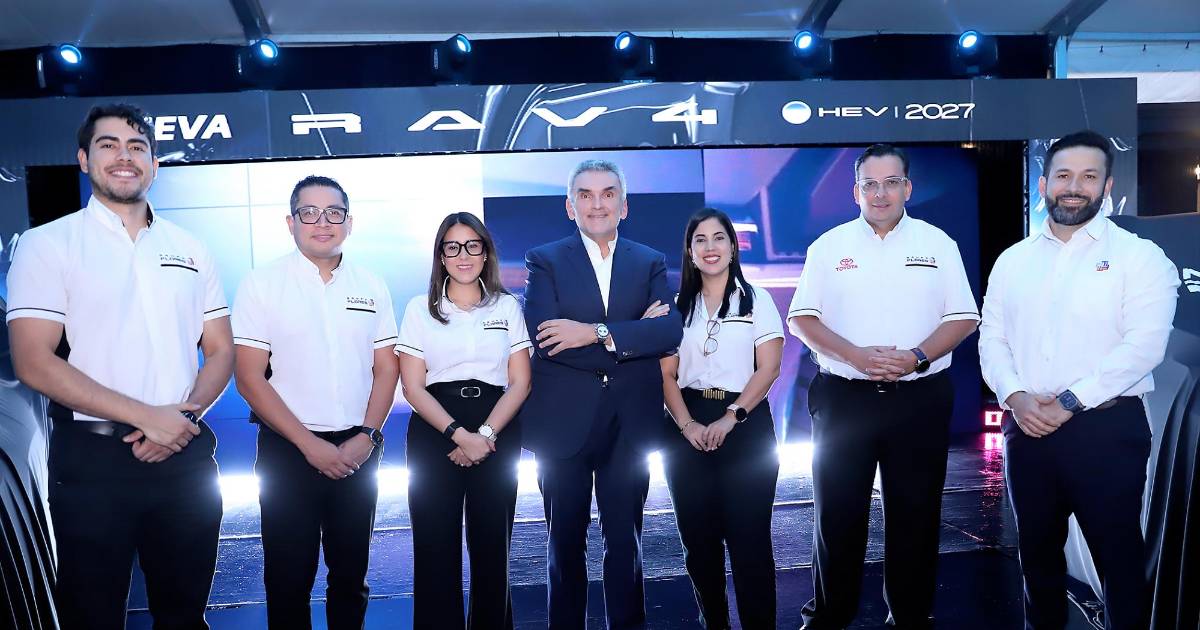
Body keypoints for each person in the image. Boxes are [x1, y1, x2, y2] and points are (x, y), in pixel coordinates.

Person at [7, 103, 233, 629]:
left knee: (184, 616)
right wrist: (147, 417)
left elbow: (221, 351)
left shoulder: (191, 248)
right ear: (83, 160)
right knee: (92, 617)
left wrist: (183, 419)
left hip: (184, 457)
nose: (124, 157)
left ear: (155, 164)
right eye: (108, 145)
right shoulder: (47, 244)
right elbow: (33, 360)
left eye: (137, 147)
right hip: (93, 465)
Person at [979, 131, 1179, 630]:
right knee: (1037, 563)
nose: (1074, 187)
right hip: (1026, 429)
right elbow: (992, 339)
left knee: (1120, 564)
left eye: (1089, 176)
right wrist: (1015, 396)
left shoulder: (1141, 257)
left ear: (1107, 186)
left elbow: (1144, 347)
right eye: (1064, 175)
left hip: (1107, 432)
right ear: (1044, 183)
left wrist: (1069, 400)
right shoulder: (1013, 260)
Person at [788, 144, 980, 629]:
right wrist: (854, 355)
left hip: (919, 398)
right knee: (837, 517)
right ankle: (828, 618)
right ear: (855, 192)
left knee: (916, 516)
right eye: (869, 184)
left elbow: (963, 316)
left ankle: (911, 618)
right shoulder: (828, 246)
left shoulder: (938, 244)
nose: (880, 193)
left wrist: (916, 357)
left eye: (890, 182)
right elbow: (802, 319)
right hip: (844, 399)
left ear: (907, 188)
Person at [231, 175, 399, 629]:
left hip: (357, 451)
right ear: (291, 222)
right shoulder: (261, 284)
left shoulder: (372, 285)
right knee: (288, 579)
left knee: (351, 577)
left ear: (349, 222)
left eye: (333, 213)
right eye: (309, 212)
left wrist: (367, 436)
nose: (322, 222)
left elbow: (386, 370)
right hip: (288, 451)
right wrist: (309, 445)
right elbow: (248, 377)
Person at [521, 159, 683, 629]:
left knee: (626, 543)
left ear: (623, 206)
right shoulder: (544, 260)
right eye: (586, 195)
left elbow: (668, 332)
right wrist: (631, 336)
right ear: (570, 206)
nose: (597, 204)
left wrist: (592, 332)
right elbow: (547, 339)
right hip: (563, 423)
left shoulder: (648, 260)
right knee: (564, 543)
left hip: (629, 422)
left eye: (608, 194)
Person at [396, 212, 532, 630]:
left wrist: (485, 435)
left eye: (473, 245)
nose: (463, 255)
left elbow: (521, 382)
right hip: (435, 428)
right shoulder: (420, 309)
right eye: (452, 247)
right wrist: (458, 434)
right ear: (441, 255)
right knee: (434, 549)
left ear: (485, 252)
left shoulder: (507, 306)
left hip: (497, 428)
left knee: (493, 550)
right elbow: (412, 387)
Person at [659, 208, 784, 629]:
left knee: (750, 543)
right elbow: (667, 375)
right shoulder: (675, 308)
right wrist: (687, 425)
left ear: (732, 247)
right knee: (698, 546)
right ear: (689, 251)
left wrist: (731, 417)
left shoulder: (757, 299)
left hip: (745, 426)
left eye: (718, 238)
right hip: (687, 428)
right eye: (700, 240)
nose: (710, 247)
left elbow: (769, 368)